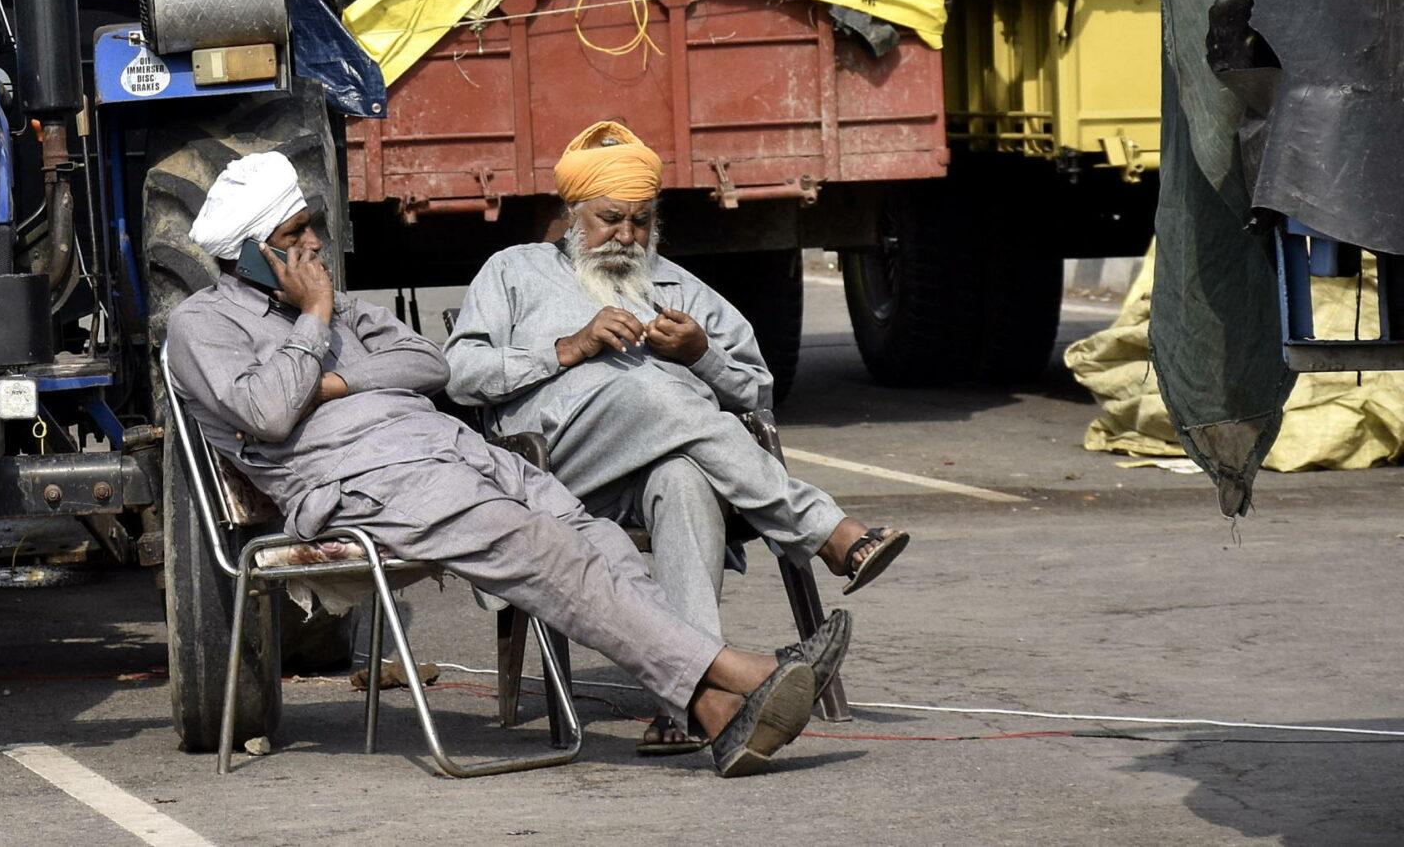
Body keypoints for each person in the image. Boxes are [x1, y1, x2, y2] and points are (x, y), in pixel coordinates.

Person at [165, 150, 850, 777]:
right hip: (365, 482)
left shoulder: (340, 303)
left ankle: (716, 714)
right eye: (294, 235)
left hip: (452, 451)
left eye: (311, 225)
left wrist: (332, 380)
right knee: (540, 547)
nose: (313, 244)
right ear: (250, 253)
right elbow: (266, 412)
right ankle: (744, 669)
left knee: (597, 538)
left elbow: (427, 362)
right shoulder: (204, 325)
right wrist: (314, 321)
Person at [445, 119, 909, 755]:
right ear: (571, 214)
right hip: (554, 468)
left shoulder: (679, 287)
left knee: (685, 478)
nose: (626, 236)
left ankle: (689, 704)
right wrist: (568, 349)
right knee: (645, 388)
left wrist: (703, 356)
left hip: (648, 470)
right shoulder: (515, 271)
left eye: (640, 221)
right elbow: (462, 374)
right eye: (610, 219)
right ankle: (822, 531)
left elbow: (757, 391)